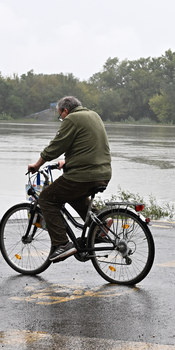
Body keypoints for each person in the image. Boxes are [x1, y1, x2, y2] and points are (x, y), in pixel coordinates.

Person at [27, 96, 112, 262]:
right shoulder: (93, 115)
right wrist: (67, 162)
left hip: (83, 175)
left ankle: (61, 244)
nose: (62, 119)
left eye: (60, 116)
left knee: (46, 199)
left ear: (65, 110)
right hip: (103, 173)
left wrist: (37, 165)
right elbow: (88, 147)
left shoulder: (72, 119)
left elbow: (56, 146)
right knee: (73, 194)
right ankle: (100, 223)